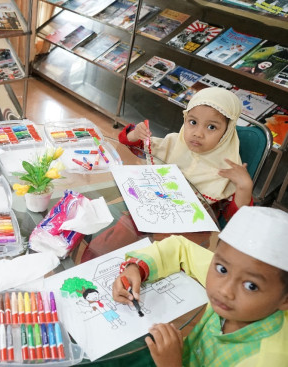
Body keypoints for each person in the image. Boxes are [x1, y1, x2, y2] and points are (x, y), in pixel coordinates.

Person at [112, 206, 288, 367]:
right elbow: (181, 247)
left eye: (251, 286)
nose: (224, 290)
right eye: (222, 268)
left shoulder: (266, 361)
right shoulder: (234, 274)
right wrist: (137, 268)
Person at [118, 87, 253, 220]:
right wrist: (135, 134)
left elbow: (234, 219)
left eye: (211, 127)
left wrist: (244, 188)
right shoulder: (174, 142)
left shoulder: (230, 169)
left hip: (189, 231)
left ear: (227, 132)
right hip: (150, 210)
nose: (197, 133)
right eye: (193, 122)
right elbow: (131, 146)